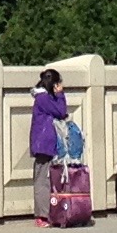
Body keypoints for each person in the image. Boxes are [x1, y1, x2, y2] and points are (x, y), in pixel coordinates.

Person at [28, 69, 71, 224]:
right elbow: (61, 111)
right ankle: (41, 216)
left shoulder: (43, 98)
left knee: (51, 179)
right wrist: (60, 94)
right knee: (42, 180)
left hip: (48, 144)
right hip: (44, 145)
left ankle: (51, 213)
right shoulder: (43, 98)